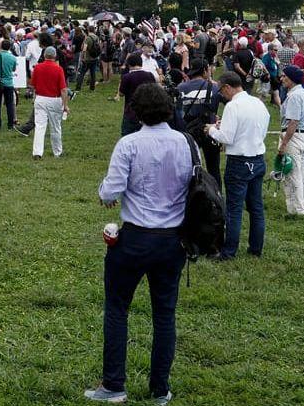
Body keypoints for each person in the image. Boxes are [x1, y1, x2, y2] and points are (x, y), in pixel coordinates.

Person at [87, 84, 193, 405]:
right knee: (165, 314)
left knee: (118, 309)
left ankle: (114, 384)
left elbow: (110, 191)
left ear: (135, 112)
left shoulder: (129, 144)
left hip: (135, 237)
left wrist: (106, 192)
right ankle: (160, 388)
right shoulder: (185, 143)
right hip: (172, 239)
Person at [207, 72, 268, 260]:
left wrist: (211, 130)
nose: (221, 95)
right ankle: (255, 248)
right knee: (256, 207)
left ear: (226, 87)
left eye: (221, 91)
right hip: (257, 157)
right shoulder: (258, 103)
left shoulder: (233, 106)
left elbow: (227, 137)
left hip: (239, 162)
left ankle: (229, 251)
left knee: (234, 208)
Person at [276, 66, 304, 216]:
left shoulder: (294, 97)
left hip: (294, 137)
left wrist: (284, 143)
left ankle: (297, 210)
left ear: (292, 79)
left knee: (293, 174)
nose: (282, 78)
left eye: (285, 76)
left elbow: (293, 122)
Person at [29, 47, 68, 159]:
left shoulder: (37, 68)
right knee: (55, 127)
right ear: (55, 56)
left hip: (40, 98)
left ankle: (37, 152)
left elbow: (33, 85)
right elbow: (63, 89)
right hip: (54, 99)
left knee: (40, 126)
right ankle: (57, 152)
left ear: (44, 55)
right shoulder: (58, 69)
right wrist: (65, 105)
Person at [116, 54, 157, 136]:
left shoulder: (127, 77)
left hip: (131, 111)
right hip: (147, 110)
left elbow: (121, 94)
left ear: (129, 64)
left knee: (126, 135)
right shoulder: (150, 75)